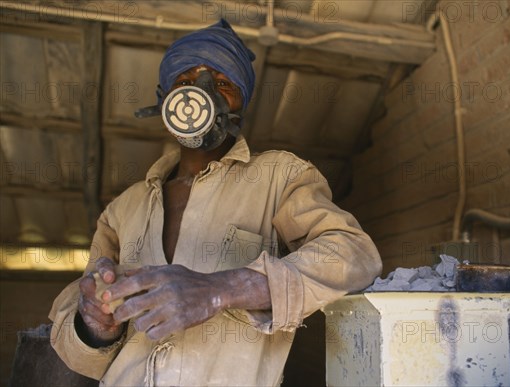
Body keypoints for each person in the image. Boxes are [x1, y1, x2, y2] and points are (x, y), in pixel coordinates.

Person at [49, 19, 381, 386]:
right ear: (165, 99)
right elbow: (84, 355)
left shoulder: (280, 177)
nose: (202, 93)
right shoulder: (122, 210)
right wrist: (96, 325)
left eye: (222, 83)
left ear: (241, 102)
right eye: (185, 82)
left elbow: (353, 256)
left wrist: (222, 290)